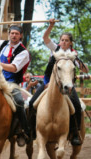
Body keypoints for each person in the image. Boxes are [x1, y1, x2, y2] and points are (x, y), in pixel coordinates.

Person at [28, 18, 89, 146]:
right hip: (48, 83)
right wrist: (51, 26)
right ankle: (31, 130)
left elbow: (84, 69)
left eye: (67, 40)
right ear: (59, 42)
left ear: (71, 43)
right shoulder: (55, 49)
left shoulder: (73, 55)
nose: (64, 42)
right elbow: (45, 38)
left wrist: (81, 63)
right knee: (32, 102)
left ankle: (75, 133)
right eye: (62, 40)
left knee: (77, 107)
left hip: (67, 86)